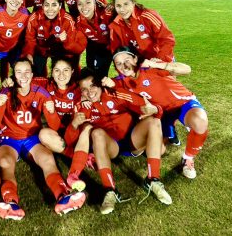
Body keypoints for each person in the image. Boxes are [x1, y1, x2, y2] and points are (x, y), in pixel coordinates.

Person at [43, 67, 170, 215]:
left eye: (93, 86)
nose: (89, 92)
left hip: (132, 140)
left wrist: (156, 111)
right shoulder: (81, 106)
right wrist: (74, 125)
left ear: (100, 85)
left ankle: (153, 180)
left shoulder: (118, 94)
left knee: (154, 122)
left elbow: (150, 108)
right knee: (96, 133)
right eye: (84, 89)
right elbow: (69, 141)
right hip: (111, 146)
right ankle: (110, 191)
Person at [0, 58, 86, 220]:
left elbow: (54, 126)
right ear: (13, 75)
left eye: (27, 71)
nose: (23, 75)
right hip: (8, 138)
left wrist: (50, 112)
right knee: (6, 164)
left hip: (31, 137)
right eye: (19, 72)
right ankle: (10, 202)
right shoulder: (6, 92)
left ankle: (63, 196)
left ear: (33, 74)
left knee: (48, 159)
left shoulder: (41, 93)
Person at [104, 46, 209, 180]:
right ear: (115, 67)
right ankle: (171, 128)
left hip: (183, 103)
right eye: (118, 63)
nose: (124, 66)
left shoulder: (150, 68)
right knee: (157, 152)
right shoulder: (119, 82)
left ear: (136, 58)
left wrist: (155, 64)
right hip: (162, 113)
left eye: (127, 60)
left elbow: (187, 69)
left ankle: (188, 159)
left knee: (200, 123)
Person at [22, 0, 87, 77]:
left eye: (54, 5)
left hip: (60, 51)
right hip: (40, 49)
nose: (50, 9)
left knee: (62, 75)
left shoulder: (67, 20)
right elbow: (30, 40)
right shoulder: (34, 18)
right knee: (34, 73)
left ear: (60, 6)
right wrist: (29, 55)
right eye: (46, 5)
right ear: (42, 6)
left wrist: (66, 41)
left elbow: (74, 47)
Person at [109, 0, 176, 63]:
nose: (122, 9)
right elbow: (117, 52)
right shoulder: (115, 25)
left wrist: (160, 59)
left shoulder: (148, 16)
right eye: (118, 6)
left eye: (126, 4)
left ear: (133, 3)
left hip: (159, 59)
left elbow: (167, 39)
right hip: (138, 64)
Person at [0, 0, 30, 81]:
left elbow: (28, 37)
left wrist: (24, 54)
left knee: (22, 72)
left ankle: (12, 92)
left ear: (23, 0)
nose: (14, 0)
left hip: (14, 50)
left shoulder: (26, 15)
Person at [75, 0, 114, 78]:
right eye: (80, 4)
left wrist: (115, 8)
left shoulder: (108, 13)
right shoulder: (79, 22)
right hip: (101, 48)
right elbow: (79, 44)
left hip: (116, 46)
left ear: (95, 3)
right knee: (97, 76)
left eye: (88, 2)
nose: (84, 7)